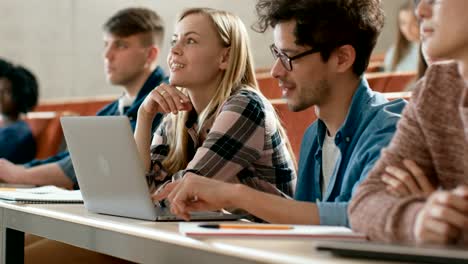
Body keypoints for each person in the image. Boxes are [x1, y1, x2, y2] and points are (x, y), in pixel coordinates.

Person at [154, 0, 407, 226]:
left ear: (342, 58)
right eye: (278, 54)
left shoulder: (391, 130)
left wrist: (236, 194)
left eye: (290, 56)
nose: (275, 70)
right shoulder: (314, 137)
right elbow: (306, 231)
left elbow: (363, 217)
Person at [134, 7, 297, 211]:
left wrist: (146, 196)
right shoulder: (176, 119)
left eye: (190, 40)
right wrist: (144, 115)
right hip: (219, 237)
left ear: (225, 58)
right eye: (174, 40)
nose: (175, 50)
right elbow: (136, 196)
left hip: (269, 240)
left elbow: (177, 198)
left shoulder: (246, 107)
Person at [0, 7, 167, 189]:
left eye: (121, 45)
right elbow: (70, 158)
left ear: (150, 54)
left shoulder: (164, 102)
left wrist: (22, 174)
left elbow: (94, 165)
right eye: (106, 44)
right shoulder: (109, 110)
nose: (107, 55)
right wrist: (19, 171)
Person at [349, 0, 468, 245]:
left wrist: (456, 225)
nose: (421, 10)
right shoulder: (436, 89)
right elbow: (364, 202)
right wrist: (420, 219)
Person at [0, 59, 39, 163]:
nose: (0, 97)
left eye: (6, 92)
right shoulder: (8, 128)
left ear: (20, 96)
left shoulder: (17, 133)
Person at [384, 0, 420, 72]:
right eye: (403, 23)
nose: (407, 29)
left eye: (413, 23)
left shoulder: (431, 52)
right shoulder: (393, 52)